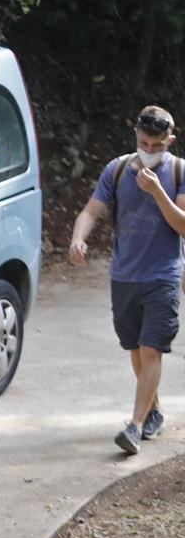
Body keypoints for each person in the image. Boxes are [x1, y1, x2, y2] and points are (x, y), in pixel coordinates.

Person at [68, 105, 185, 453]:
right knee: (135, 349)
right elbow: (90, 211)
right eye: (144, 143)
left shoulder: (178, 171)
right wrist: (79, 238)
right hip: (124, 276)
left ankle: (134, 427)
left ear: (170, 140)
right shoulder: (117, 170)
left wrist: (157, 192)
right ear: (136, 134)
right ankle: (154, 411)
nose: (149, 151)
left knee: (152, 349)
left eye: (156, 145)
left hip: (163, 275)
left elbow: (182, 225)